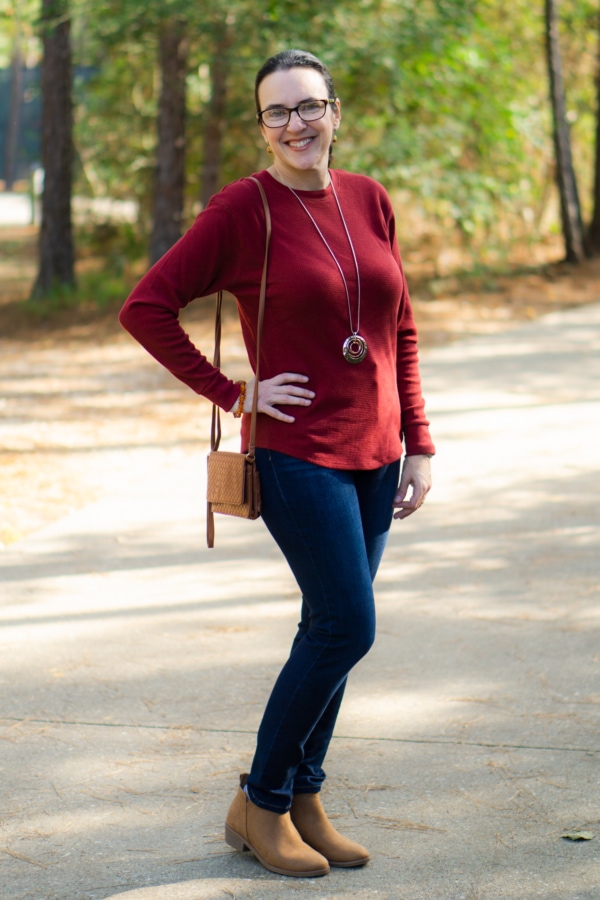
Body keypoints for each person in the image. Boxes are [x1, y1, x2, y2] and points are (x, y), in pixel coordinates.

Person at [119, 48, 435, 879]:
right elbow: (145, 306)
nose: (296, 124)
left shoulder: (370, 199)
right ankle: (262, 803)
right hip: (297, 453)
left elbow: (399, 327)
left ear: (336, 110)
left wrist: (420, 443)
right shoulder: (243, 209)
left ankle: (302, 796)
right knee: (347, 624)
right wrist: (234, 392)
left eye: (309, 107)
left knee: (329, 629)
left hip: (377, 451)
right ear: (261, 127)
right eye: (277, 112)